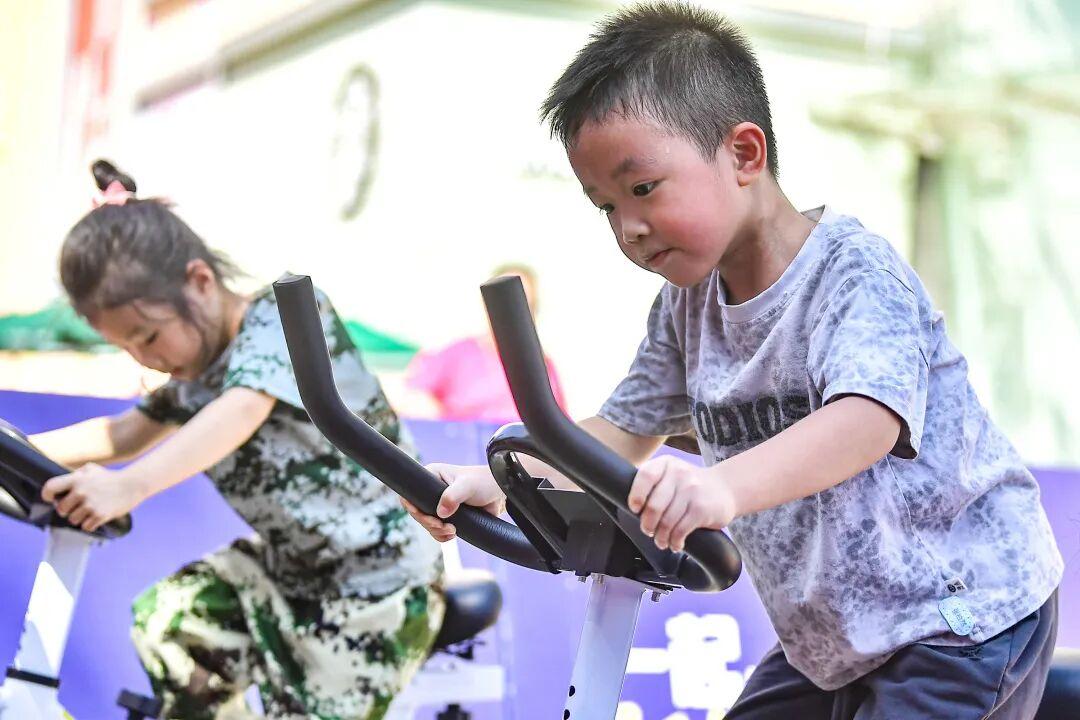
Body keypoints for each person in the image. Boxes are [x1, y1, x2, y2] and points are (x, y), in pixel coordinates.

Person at [402, 4, 1064, 718]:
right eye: (605, 207)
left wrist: (719, 488)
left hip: (957, 617)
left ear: (745, 155)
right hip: (835, 639)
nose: (629, 227)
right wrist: (501, 481)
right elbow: (621, 432)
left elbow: (867, 419)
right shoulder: (686, 307)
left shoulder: (851, 273)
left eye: (642, 188)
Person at [32, 160, 443, 720]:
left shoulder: (288, 318)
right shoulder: (194, 375)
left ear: (200, 282)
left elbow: (244, 406)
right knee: (170, 620)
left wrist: (129, 487)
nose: (147, 360)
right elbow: (120, 434)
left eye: (149, 336)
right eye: (129, 349)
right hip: (286, 572)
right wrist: (16, 446)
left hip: (380, 584)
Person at [402, 263, 567, 422]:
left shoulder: (543, 366)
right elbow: (412, 397)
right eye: (506, 304)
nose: (513, 315)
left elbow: (559, 423)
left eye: (525, 305)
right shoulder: (459, 354)